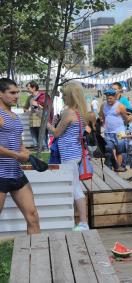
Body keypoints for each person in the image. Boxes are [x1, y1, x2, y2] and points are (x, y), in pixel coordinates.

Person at [47, 81, 89, 231]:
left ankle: (83, 223)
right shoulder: (81, 112)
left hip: (68, 155)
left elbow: (56, 133)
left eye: (65, 94)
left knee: (75, 188)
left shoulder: (69, 112)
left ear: (71, 96)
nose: (63, 97)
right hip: (76, 153)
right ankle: (77, 221)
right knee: (74, 186)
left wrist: (45, 123)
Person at [0, 78, 40, 234]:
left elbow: (19, 144)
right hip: (1, 174)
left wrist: (28, 155)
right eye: (12, 93)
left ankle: (37, 255)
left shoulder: (15, 117)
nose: (16, 96)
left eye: (17, 92)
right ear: (1, 94)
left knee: (33, 216)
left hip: (16, 174)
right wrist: (16, 155)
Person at [99, 89, 127, 172]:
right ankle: (113, 168)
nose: (108, 100)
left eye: (110, 98)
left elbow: (125, 117)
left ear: (115, 97)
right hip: (108, 132)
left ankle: (117, 170)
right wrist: (104, 124)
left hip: (119, 132)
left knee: (119, 151)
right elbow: (101, 115)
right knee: (110, 151)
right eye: (107, 98)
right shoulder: (103, 106)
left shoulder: (120, 106)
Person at [24, 81, 48, 150]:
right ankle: (36, 147)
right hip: (32, 118)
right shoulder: (29, 98)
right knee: (33, 134)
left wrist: (37, 104)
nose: (27, 90)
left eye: (28, 88)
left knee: (42, 134)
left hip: (41, 118)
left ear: (34, 88)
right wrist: (27, 110)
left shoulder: (42, 96)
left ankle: (45, 148)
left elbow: (47, 107)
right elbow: (25, 107)